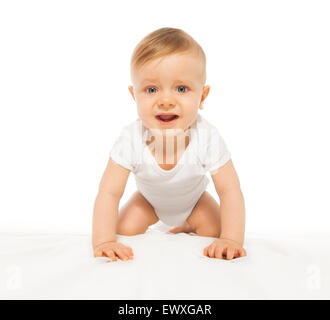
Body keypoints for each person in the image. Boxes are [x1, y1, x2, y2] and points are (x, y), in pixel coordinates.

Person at [92, 27, 246, 261]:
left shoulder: (207, 137)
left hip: (194, 203)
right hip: (148, 202)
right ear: (135, 96)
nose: (165, 101)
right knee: (123, 230)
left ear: (202, 97)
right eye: (151, 89)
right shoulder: (130, 139)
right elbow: (109, 192)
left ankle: (186, 224)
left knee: (215, 231)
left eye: (181, 89)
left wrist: (232, 240)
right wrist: (103, 241)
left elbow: (229, 190)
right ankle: (157, 224)